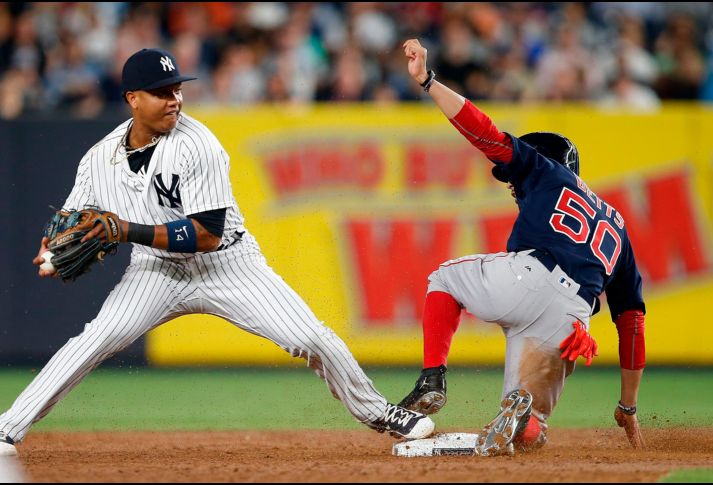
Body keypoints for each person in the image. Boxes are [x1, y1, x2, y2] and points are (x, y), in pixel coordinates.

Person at [0, 47, 434, 457]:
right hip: (156, 271)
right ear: (133, 98)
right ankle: (7, 427)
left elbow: (206, 235)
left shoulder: (197, 143)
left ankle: (379, 411)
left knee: (310, 338)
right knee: (95, 339)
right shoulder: (98, 159)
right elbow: (72, 217)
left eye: (177, 89)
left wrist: (125, 229)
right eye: (162, 92)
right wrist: (51, 248)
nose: (175, 100)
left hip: (228, 265)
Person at [398, 39, 646, 456]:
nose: (511, 186)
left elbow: (484, 132)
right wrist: (628, 405)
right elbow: (632, 321)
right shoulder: (617, 225)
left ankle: (432, 379)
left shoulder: (545, 170)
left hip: (530, 277)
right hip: (571, 320)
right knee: (531, 431)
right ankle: (524, 420)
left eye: (511, 178)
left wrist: (428, 82)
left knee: (444, 279)